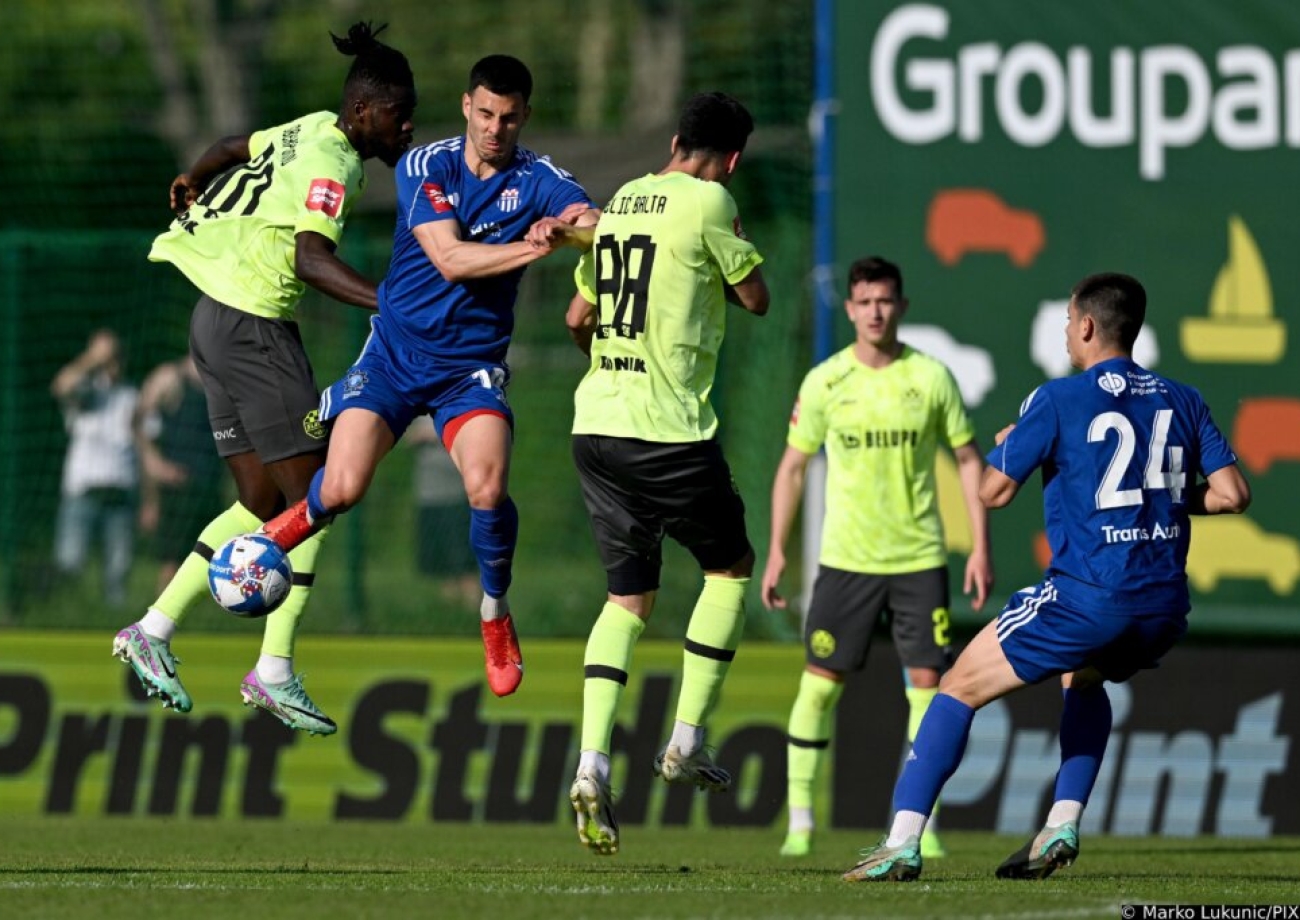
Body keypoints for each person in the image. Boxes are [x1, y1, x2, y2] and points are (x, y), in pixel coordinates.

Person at [843, 272, 1251, 883]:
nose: (1065, 332)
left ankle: (902, 841)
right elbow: (1232, 494)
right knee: (1082, 680)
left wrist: (1012, 442)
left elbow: (992, 491)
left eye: (1068, 321)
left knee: (955, 688)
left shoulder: (1056, 399)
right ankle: (1061, 821)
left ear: (1087, 326)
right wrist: (1158, 498)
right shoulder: (1183, 398)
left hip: (1089, 596)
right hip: (1164, 605)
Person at [250, 54, 598, 699]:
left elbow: (594, 224)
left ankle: (494, 612)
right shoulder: (424, 164)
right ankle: (260, 547)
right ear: (467, 106)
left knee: (487, 488)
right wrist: (535, 245)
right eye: (486, 113)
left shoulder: (539, 176)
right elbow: (449, 258)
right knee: (345, 488)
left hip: (470, 369)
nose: (496, 127)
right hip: (393, 357)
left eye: (510, 117)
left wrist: (571, 231)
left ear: (525, 117)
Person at [112, 21, 417, 736]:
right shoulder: (335, 160)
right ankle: (274, 670)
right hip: (252, 327)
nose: (408, 127)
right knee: (316, 497)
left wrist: (194, 173)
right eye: (400, 114)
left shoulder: (307, 126)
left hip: (210, 318)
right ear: (365, 112)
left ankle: (152, 629)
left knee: (258, 501)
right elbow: (311, 260)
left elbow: (229, 147)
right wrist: (393, 305)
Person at [564, 91, 770, 857]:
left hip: (595, 427)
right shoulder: (714, 202)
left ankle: (591, 763)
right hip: (668, 433)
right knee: (729, 569)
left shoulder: (619, 200)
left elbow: (576, 321)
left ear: (676, 138)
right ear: (733, 158)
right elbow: (755, 298)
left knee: (626, 600)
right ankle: (685, 742)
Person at [761, 256, 994, 860]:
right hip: (846, 562)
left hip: (918, 559)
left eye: (885, 300)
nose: (875, 311)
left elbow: (970, 460)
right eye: (864, 301)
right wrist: (777, 552)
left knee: (928, 690)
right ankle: (801, 822)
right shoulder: (826, 381)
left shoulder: (930, 378)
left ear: (902, 306)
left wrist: (979, 546)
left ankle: (923, 824)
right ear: (849, 310)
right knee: (818, 689)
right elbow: (792, 467)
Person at [51, 329, 140, 609]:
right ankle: (63, 615)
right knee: (69, 562)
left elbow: (144, 448)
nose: (110, 364)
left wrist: (150, 499)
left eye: (114, 357)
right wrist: (93, 358)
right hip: (83, 492)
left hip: (121, 493)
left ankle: (112, 626)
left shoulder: (131, 396)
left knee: (118, 569)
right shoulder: (85, 391)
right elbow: (60, 386)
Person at [135, 355, 227, 594]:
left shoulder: (224, 380)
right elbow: (138, 421)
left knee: (215, 565)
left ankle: (204, 624)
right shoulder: (170, 377)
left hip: (209, 486)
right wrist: (154, 462)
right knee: (172, 565)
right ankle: (159, 622)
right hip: (177, 489)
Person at [408, 416, 480, 606]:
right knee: (441, 564)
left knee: (464, 560)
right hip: (429, 494)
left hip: (458, 494)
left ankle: (476, 609)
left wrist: (437, 433)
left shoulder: (464, 400)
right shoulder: (419, 404)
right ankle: (448, 609)